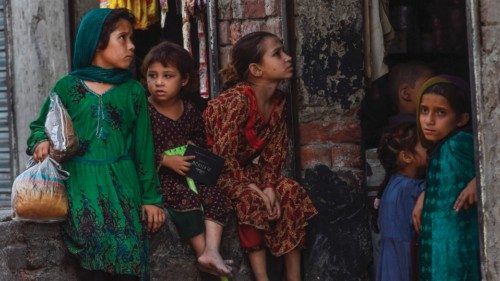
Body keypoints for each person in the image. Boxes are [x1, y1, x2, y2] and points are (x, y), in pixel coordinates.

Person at [27, 8, 165, 281]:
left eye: (131, 38)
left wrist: (151, 199)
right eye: (122, 38)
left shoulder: (134, 91)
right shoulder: (68, 87)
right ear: (97, 43)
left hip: (124, 189)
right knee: (91, 261)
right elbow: (37, 127)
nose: (131, 46)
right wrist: (40, 141)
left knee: (128, 258)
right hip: (81, 189)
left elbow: (144, 149)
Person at [203, 31, 318, 281]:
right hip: (215, 171)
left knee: (290, 190)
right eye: (277, 53)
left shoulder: (278, 102)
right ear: (256, 70)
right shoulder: (237, 100)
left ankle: (294, 277)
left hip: (242, 171)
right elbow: (222, 157)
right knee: (249, 198)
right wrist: (252, 187)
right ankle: (262, 277)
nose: (287, 58)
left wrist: (267, 186)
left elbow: (274, 153)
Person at [142, 41, 232, 277]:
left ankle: (212, 249)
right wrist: (164, 160)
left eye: (167, 76)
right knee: (184, 199)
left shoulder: (190, 109)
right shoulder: (144, 110)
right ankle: (203, 253)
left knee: (217, 194)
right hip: (163, 177)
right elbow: (137, 148)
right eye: (152, 76)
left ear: (183, 80)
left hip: (190, 172)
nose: (158, 82)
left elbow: (198, 137)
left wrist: (194, 147)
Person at [415, 75, 480, 280]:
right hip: (439, 245)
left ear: (462, 119)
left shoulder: (460, 142)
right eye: (424, 110)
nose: (429, 120)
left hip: (456, 247)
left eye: (441, 113)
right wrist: (426, 192)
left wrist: (480, 180)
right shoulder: (442, 146)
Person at [376, 123, 427, 281]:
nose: (429, 148)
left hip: (389, 263)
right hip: (402, 262)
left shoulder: (393, 185)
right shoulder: (410, 188)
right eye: (423, 145)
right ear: (407, 156)